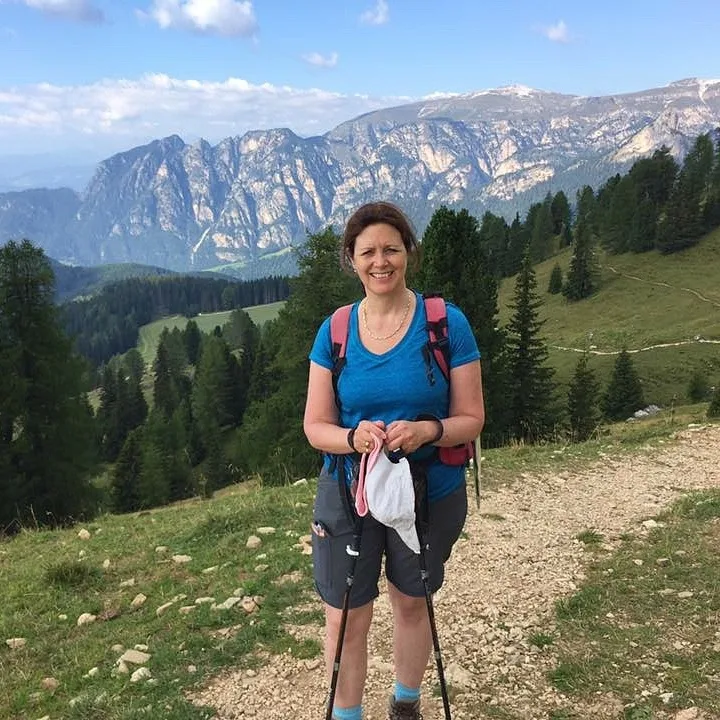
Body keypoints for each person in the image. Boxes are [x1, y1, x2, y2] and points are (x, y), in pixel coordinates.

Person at [303, 201, 485, 720]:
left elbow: (471, 417)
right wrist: (352, 436)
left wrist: (428, 429)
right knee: (343, 618)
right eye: (368, 252)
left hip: (430, 489)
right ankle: (348, 715)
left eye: (391, 249)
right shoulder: (334, 331)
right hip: (347, 490)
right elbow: (316, 426)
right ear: (351, 260)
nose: (380, 262)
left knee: (411, 601)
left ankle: (406, 704)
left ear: (408, 252)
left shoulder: (446, 324)